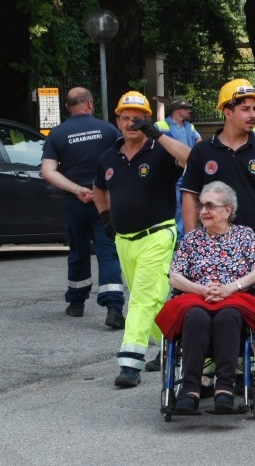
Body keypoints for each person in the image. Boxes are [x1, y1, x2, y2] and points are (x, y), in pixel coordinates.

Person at [92, 91, 191, 387]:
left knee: (139, 299)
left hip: (157, 235)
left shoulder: (160, 150)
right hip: (124, 239)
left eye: (137, 118)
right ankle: (177, 347)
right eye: (125, 117)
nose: (130, 123)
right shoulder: (109, 156)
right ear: (118, 121)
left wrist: (157, 134)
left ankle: (130, 362)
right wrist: (106, 218)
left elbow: (190, 158)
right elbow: (98, 188)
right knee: (153, 302)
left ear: (147, 120)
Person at [156, 181, 255, 415]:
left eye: (210, 205)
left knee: (228, 316)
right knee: (195, 316)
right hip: (197, 297)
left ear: (227, 210)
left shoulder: (245, 235)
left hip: (235, 296)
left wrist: (231, 287)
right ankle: (190, 390)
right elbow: (174, 276)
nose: (204, 211)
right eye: (201, 206)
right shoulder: (191, 239)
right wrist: (199, 289)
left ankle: (224, 390)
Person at [180, 78, 255, 294]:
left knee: (254, 312)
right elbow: (189, 196)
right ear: (227, 112)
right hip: (210, 246)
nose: (253, 115)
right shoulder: (202, 152)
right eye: (245, 109)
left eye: (254, 109)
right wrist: (191, 240)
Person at [40, 87, 125, 327]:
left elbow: (47, 171)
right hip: (105, 201)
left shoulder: (57, 133)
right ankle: (114, 308)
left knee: (78, 251)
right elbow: (122, 161)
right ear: (89, 104)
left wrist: (77, 190)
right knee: (108, 252)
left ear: (67, 107)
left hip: (74, 202)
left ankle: (76, 303)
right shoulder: (108, 130)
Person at [154, 97, 202, 240]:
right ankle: (176, 235)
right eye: (186, 108)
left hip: (187, 170)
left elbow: (199, 142)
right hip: (170, 171)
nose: (189, 111)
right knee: (174, 203)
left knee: (187, 202)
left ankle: (184, 237)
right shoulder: (160, 125)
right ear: (177, 110)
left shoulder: (190, 126)